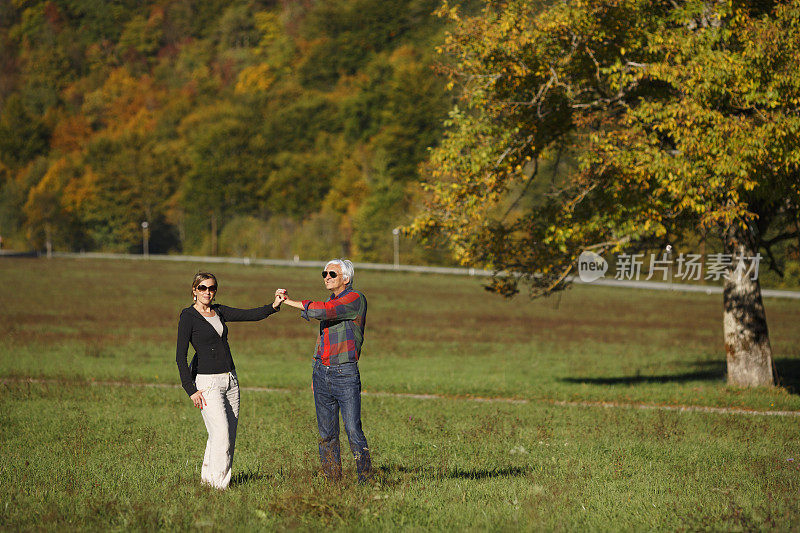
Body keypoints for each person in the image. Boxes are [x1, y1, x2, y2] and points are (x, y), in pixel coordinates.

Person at [176, 272, 285, 489]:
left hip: (230, 380)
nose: (208, 292)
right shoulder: (188, 316)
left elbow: (250, 315)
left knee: (225, 435)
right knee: (221, 433)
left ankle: (208, 482)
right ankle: (218, 488)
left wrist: (274, 306)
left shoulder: (219, 311)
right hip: (207, 383)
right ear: (194, 290)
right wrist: (191, 389)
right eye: (203, 288)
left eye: (212, 288)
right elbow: (180, 356)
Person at [278, 259, 373, 482]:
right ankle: (333, 481)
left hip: (345, 373)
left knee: (353, 430)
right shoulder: (330, 300)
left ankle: (366, 480)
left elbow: (325, 311)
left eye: (332, 273)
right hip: (322, 373)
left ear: (346, 278)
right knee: (326, 434)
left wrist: (288, 301)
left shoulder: (355, 299)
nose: (326, 277)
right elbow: (323, 338)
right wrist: (315, 370)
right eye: (324, 273)